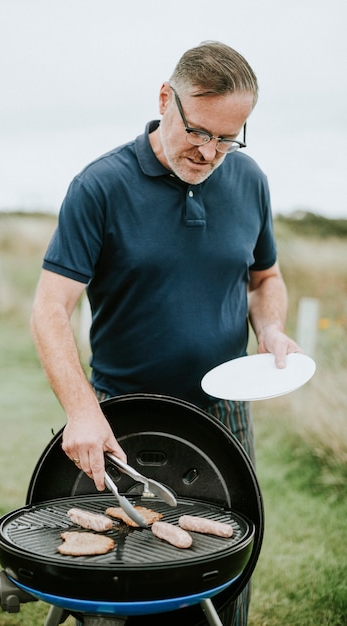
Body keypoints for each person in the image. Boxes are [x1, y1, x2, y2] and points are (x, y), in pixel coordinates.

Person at [31, 41, 300, 626]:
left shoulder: (249, 180)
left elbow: (266, 277)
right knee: (117, 579)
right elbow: (50, 309)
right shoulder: (100, 185)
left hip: (224, 414)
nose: (209, 152)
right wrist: (80, 411)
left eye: (228, 138)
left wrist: (272, 329)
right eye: (200, 131)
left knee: (222, 573)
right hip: (123, 414)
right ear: (165, 99)